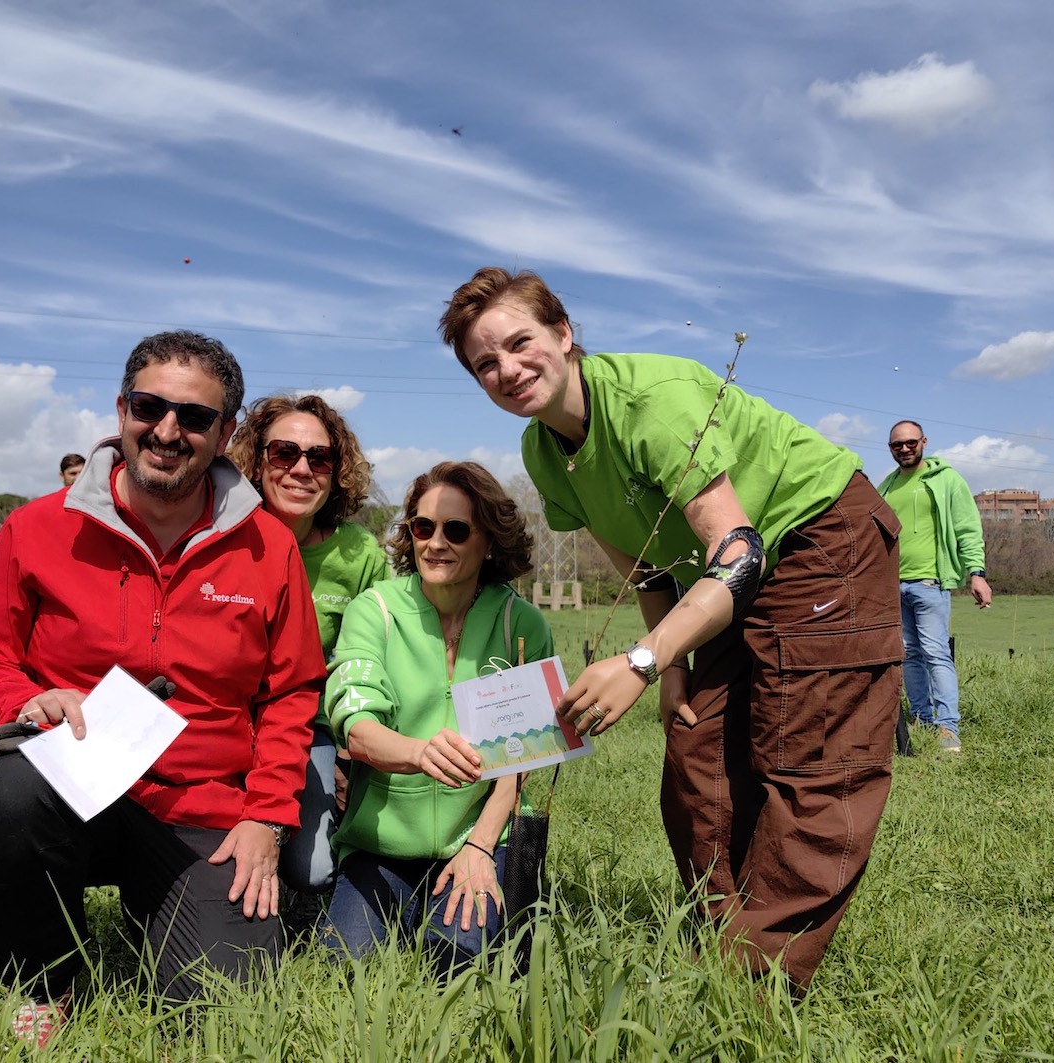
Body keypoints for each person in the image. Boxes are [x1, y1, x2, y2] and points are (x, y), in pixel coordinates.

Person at [439, 268, 901, 994]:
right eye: (483, 363)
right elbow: (649, 568)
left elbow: (739, 551)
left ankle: (752, 985)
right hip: (710, 580)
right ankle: (718, 934)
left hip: (814, 533)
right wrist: (672, 667)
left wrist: (642, 660)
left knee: (806, 750)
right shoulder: (542, 452)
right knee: (696, 746)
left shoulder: (651, 401)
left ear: (563, 335)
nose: (506, 369)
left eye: (518, 342)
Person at [0, 329, 324, 1046]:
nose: (167, 430)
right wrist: (25, 702)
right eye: (149, 406)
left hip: (202, 806)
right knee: (7, 799)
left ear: (226, 432)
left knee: (226, 1012)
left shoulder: (268, 545)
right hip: (71, 778)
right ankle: (47, 972)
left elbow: (291, 691)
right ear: (122, 408)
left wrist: (266, 818)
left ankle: (158, 905)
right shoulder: (36, 527)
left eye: (195, 417)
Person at [322, 461, 553, 976]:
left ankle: (475, 892)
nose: (435, 543)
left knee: (458, 963)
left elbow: (523, 760)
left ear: (488, 541)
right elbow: (356, 725)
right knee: (344, 968)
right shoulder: (374, 610)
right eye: (422, 528)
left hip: (480, 835)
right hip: (380, 845)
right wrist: (417, 753)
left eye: (456, 530)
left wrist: (479, 846)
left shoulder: (522, 626)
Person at [226, 395, 389, 903]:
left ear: (337, 473)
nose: (302, 469)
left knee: (314, 872)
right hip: (225, 720)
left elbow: (373, 657)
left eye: (319, 458)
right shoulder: (222, 536)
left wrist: (348, 743)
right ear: (255, 461)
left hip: (309, 727)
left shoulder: (357, 553)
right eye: (284, 454)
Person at [876, 421, 991, 753]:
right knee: (908, 655)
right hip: (892, 585)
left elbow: (968, 527)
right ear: (890, 448)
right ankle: (923, 718)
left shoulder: (946, 480)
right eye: (897, 445)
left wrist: (977, 573)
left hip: (930, 582)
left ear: (924, 441)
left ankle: (948, 727)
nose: (905, 448)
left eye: (911, 442)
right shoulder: (887, 485)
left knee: (936, 652)